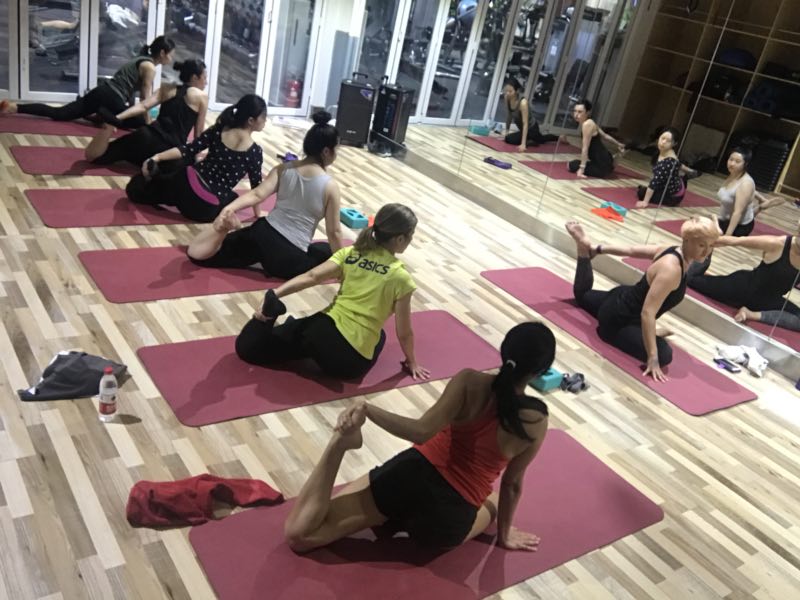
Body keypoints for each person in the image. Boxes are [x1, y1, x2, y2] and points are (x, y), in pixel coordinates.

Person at [283, 321, 554, 553]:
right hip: (446, 521)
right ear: (541, 372)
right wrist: (505, 536)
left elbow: (421, 431)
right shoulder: (536, 421)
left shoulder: (469, 381)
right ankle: (399, 518)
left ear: (504, 350)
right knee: (492, 498)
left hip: (407, 477)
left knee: (300, 534)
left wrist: (368, 409)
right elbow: (512, 485)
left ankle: (338, 446)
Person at [235, 203, 429, 381]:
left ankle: (270, 316)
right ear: (400, 238)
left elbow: (312, 276)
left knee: (250, 350)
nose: (411, 240)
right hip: (348, 362)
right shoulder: (400, 278)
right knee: (381, 337)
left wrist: (275, 294)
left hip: (318, 331)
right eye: (411, 235)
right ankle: (311, 345)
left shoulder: (350, 253)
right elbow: (404, 333)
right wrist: (412, 361)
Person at [186, 111, 344, 279]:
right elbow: (334, 232)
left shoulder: (284, 168)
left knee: (208, 253)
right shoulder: (330, 187)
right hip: (287, 257)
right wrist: (343, 266)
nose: (337, 153)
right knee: (324, 250)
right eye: (336, 149)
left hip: (261, 234)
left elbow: (257, 194)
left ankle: (222, 230)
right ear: (326, 151)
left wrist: (228, 208)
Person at [566, 217, 720, 381]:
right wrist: (652, 357)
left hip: (619, 297)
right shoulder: (671, 270)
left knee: (583, 296)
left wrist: (597, 249)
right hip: (620, 320)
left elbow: (631, 250)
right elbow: (647, 313)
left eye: (711, 246)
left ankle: (583, 250)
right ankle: (648, 334)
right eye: (702, 245)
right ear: (686, 240)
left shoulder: (670, 249)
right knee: (665, 355)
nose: (706, 251)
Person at [125, 94, 265, 223]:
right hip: (205, 209)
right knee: (232, 198)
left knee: (145, 188)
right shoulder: (255, 152)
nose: (265, 120)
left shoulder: (220, 129)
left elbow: (188, 150)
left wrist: (157, 157)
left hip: (184, 185)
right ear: (251, 121)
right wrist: (258, 214)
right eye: (263, 116)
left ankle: (153, 183)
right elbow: (256, 190)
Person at [0, 36, 175, 126]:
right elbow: (144, 100)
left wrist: (129, 108)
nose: (172, 58)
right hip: (112, 97)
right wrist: (147, 122)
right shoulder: (150, 67)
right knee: (138, 123)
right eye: (171, 54)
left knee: (60, 114)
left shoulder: (141, 59)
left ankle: (15, 107)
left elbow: (131, 94)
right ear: (162, 53)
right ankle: (102, 115)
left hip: (102, 91)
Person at [85, 59, 208, 166]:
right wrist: (196, 158)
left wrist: (117, 118)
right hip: (169, 150)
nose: (206, 82)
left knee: (94, 157)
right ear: (194, 77)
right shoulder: (202, 97)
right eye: (204, 78)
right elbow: (198, 135)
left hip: (146, 136)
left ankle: (108, 128)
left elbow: (143, 106)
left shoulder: (167, 88)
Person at [687, 230, 800, 331]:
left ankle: (750, 314)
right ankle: (702, 257)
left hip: (769, 302)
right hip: (741, 289)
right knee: (690, 279)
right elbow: (737, 241)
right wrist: (707, 241)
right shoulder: (777, 243)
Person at [635, 127, 700, 208]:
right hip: (671, 186)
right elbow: (679, 164)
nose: (663, 142)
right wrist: (690, 170)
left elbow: (654, 183)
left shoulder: (668, 161)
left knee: (641, 193)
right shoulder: (665, 151)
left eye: (668, 141)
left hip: (673, 196)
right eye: (663, 138)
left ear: (674, 144)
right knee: (645, 190)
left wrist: (645, 202)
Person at [564, 99, 625, 179]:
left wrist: (582, 169)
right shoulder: (591, 122)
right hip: (606, 158)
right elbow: (605, 136)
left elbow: (585, 148)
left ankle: (606, 168)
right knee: (577, 163)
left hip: (601, 165)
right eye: (575, 111)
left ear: (587, 112)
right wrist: (618, 144)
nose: (576, 115)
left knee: (571, 165)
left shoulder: (587, 124)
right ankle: (611, 164)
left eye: (580, 112)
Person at [494, 77, 557, 152]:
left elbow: (525, 123)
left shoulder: (523, 103)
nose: (507, 93)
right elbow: (509, 116)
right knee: (508, 138)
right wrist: (506, 133)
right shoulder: (507, 98)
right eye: (506, 91)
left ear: (517, 91)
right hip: (523, 129)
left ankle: (558, 138)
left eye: (510, 91)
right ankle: (532, 140)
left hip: (532, 129)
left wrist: (523, 144)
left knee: (541, 139)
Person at [716, 147, 759, 237]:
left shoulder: (745, 183)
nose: (732, 163)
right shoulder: (733, 175)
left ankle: (760, 207)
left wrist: (727, 235)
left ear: (745, 164)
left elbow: (738, 212)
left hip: (739, 226)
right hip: (725, 219)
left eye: (737, 161)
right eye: (731, 159)